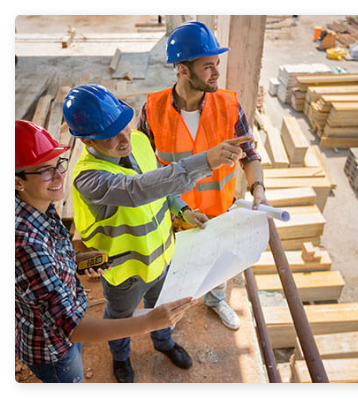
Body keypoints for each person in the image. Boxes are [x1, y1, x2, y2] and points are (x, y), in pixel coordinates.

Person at [62, 84, 252, 383]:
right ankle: (121, 358)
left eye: (123, 126)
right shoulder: (89, 178)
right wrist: (205, 161)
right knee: (120, 319)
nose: (124, 138)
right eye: (111, 135)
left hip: (164, 256)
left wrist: (182, 209)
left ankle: (164, 343)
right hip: (126, 270)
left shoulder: (137, 141)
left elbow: (157, 181)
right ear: (87, 140)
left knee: (163, 308)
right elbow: (138, 190)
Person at [15, 120, 197, 384]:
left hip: (157, 260)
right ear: (18, 182)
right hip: (53, 348)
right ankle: (121, 357)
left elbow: (46, 265)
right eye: (45, 171)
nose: (58, 176)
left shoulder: (39, 205)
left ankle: (163, 342)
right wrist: (149, 323)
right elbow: (72, 329)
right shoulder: (26, 244)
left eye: (58, 165)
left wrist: (74, 261)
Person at [138, 21, 269, 331]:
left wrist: (259, 189)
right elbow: (144, 167)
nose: (216, 73)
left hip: (219, 210)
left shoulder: (229, 105)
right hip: (172, 213)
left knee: (218, 265)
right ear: (183, 70)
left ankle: (215, 299)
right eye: (208, 66)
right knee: (174, 269)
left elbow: (250, 155)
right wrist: (175, 206)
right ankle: (171, 313)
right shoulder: (152, 108)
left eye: (217, 65)